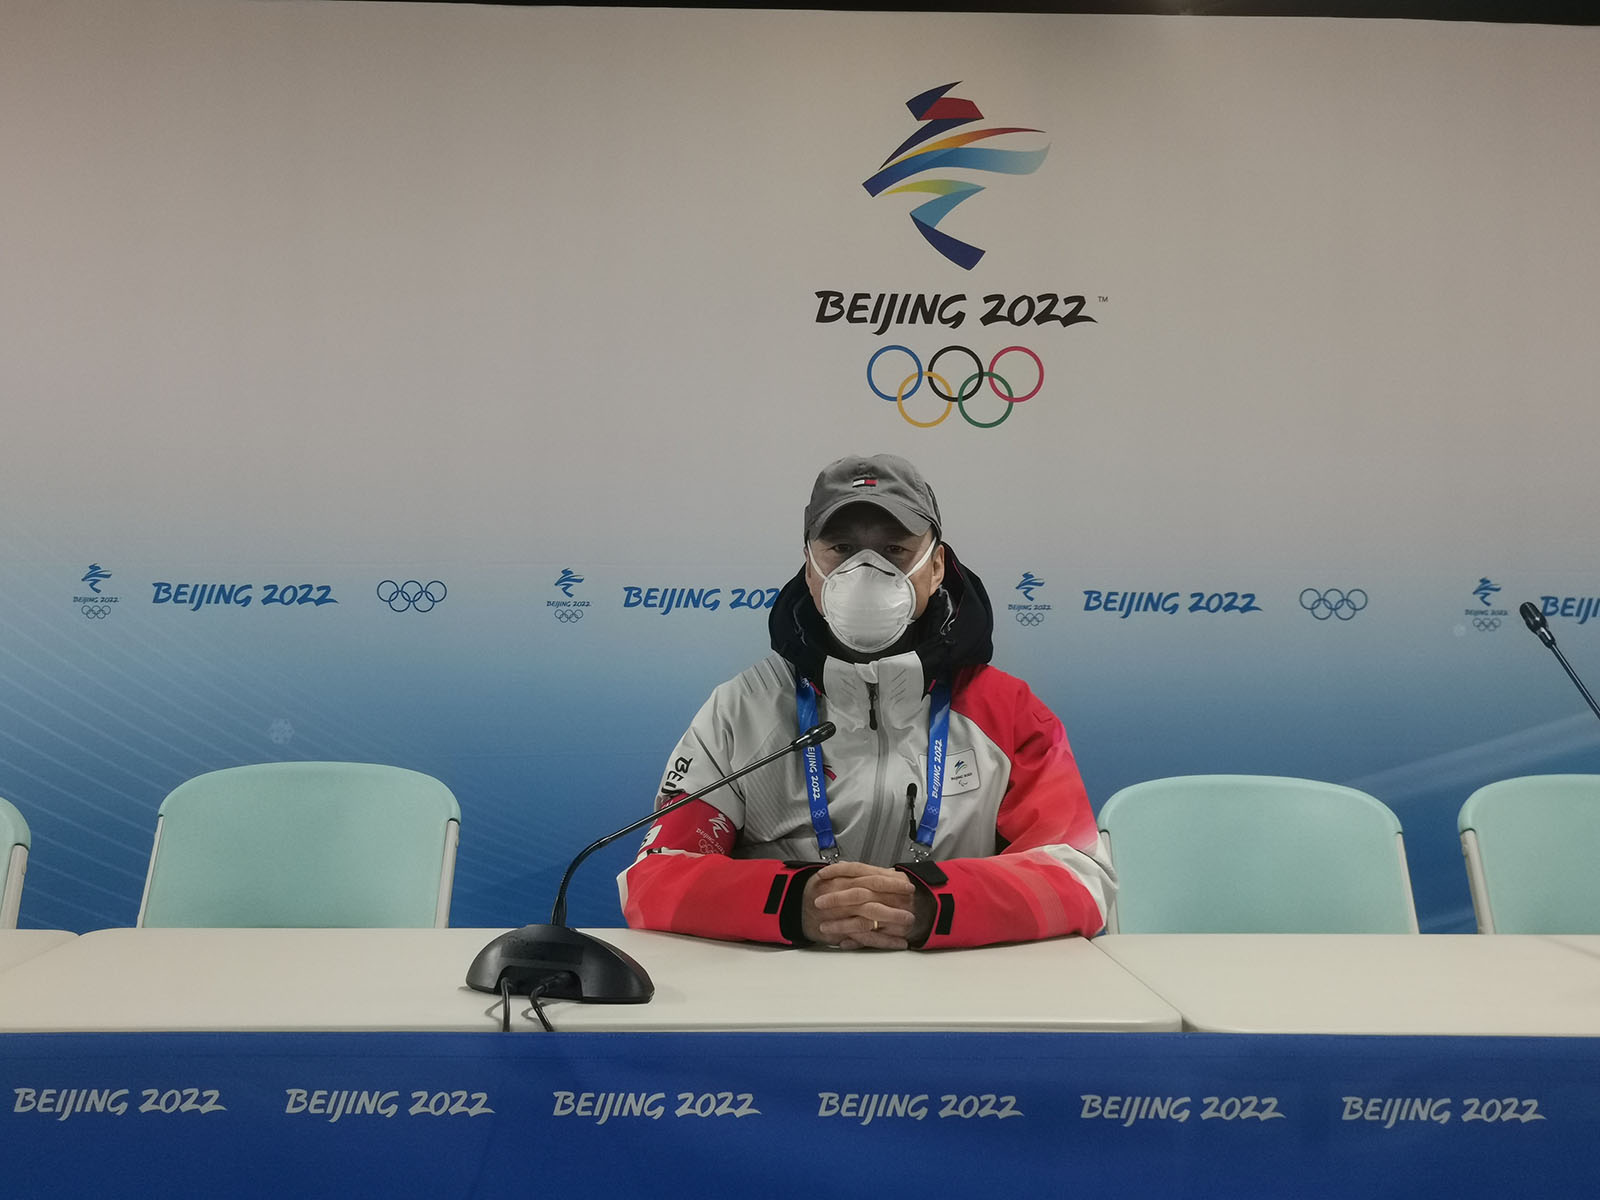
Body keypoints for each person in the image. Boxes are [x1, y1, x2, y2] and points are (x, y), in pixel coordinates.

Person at [618, 453, 1114, 949]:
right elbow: (655, 877)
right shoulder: (740, 710)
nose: (866, 569)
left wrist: (932, 905)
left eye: (895, 549)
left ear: (936, 566)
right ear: (810, 568)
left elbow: (1081, 878)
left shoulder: (1011, 712)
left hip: (954, 982)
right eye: (841, 548)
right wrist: (794, 902)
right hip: (780, 984)